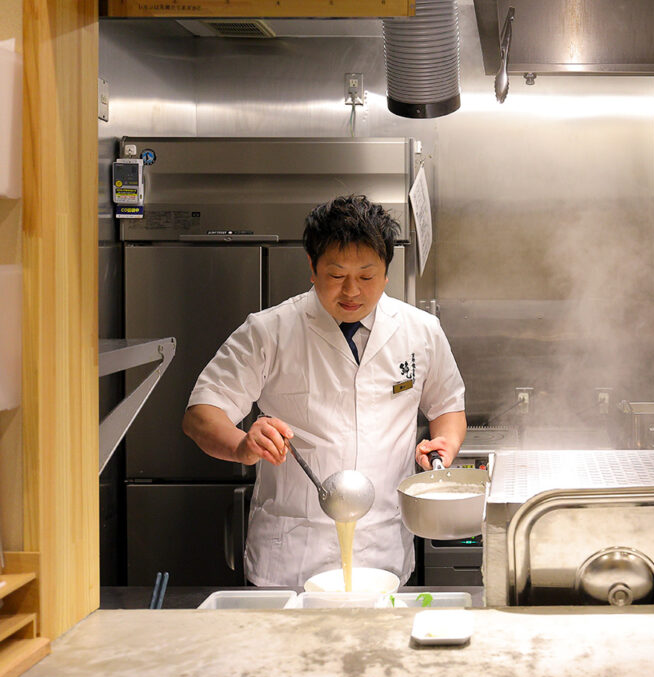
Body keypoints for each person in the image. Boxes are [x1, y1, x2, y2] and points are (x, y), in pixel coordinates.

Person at [182, 194, 467, 587]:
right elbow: (201, 415)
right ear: (312, 269)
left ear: (386, 273)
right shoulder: (270, 331)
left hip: (381, 552)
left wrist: (443, 446)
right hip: (291, 561)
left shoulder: (421, 332)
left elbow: (447, 407)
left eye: (367, 276)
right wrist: (241, 445)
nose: (352, 291)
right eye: (336, 275)